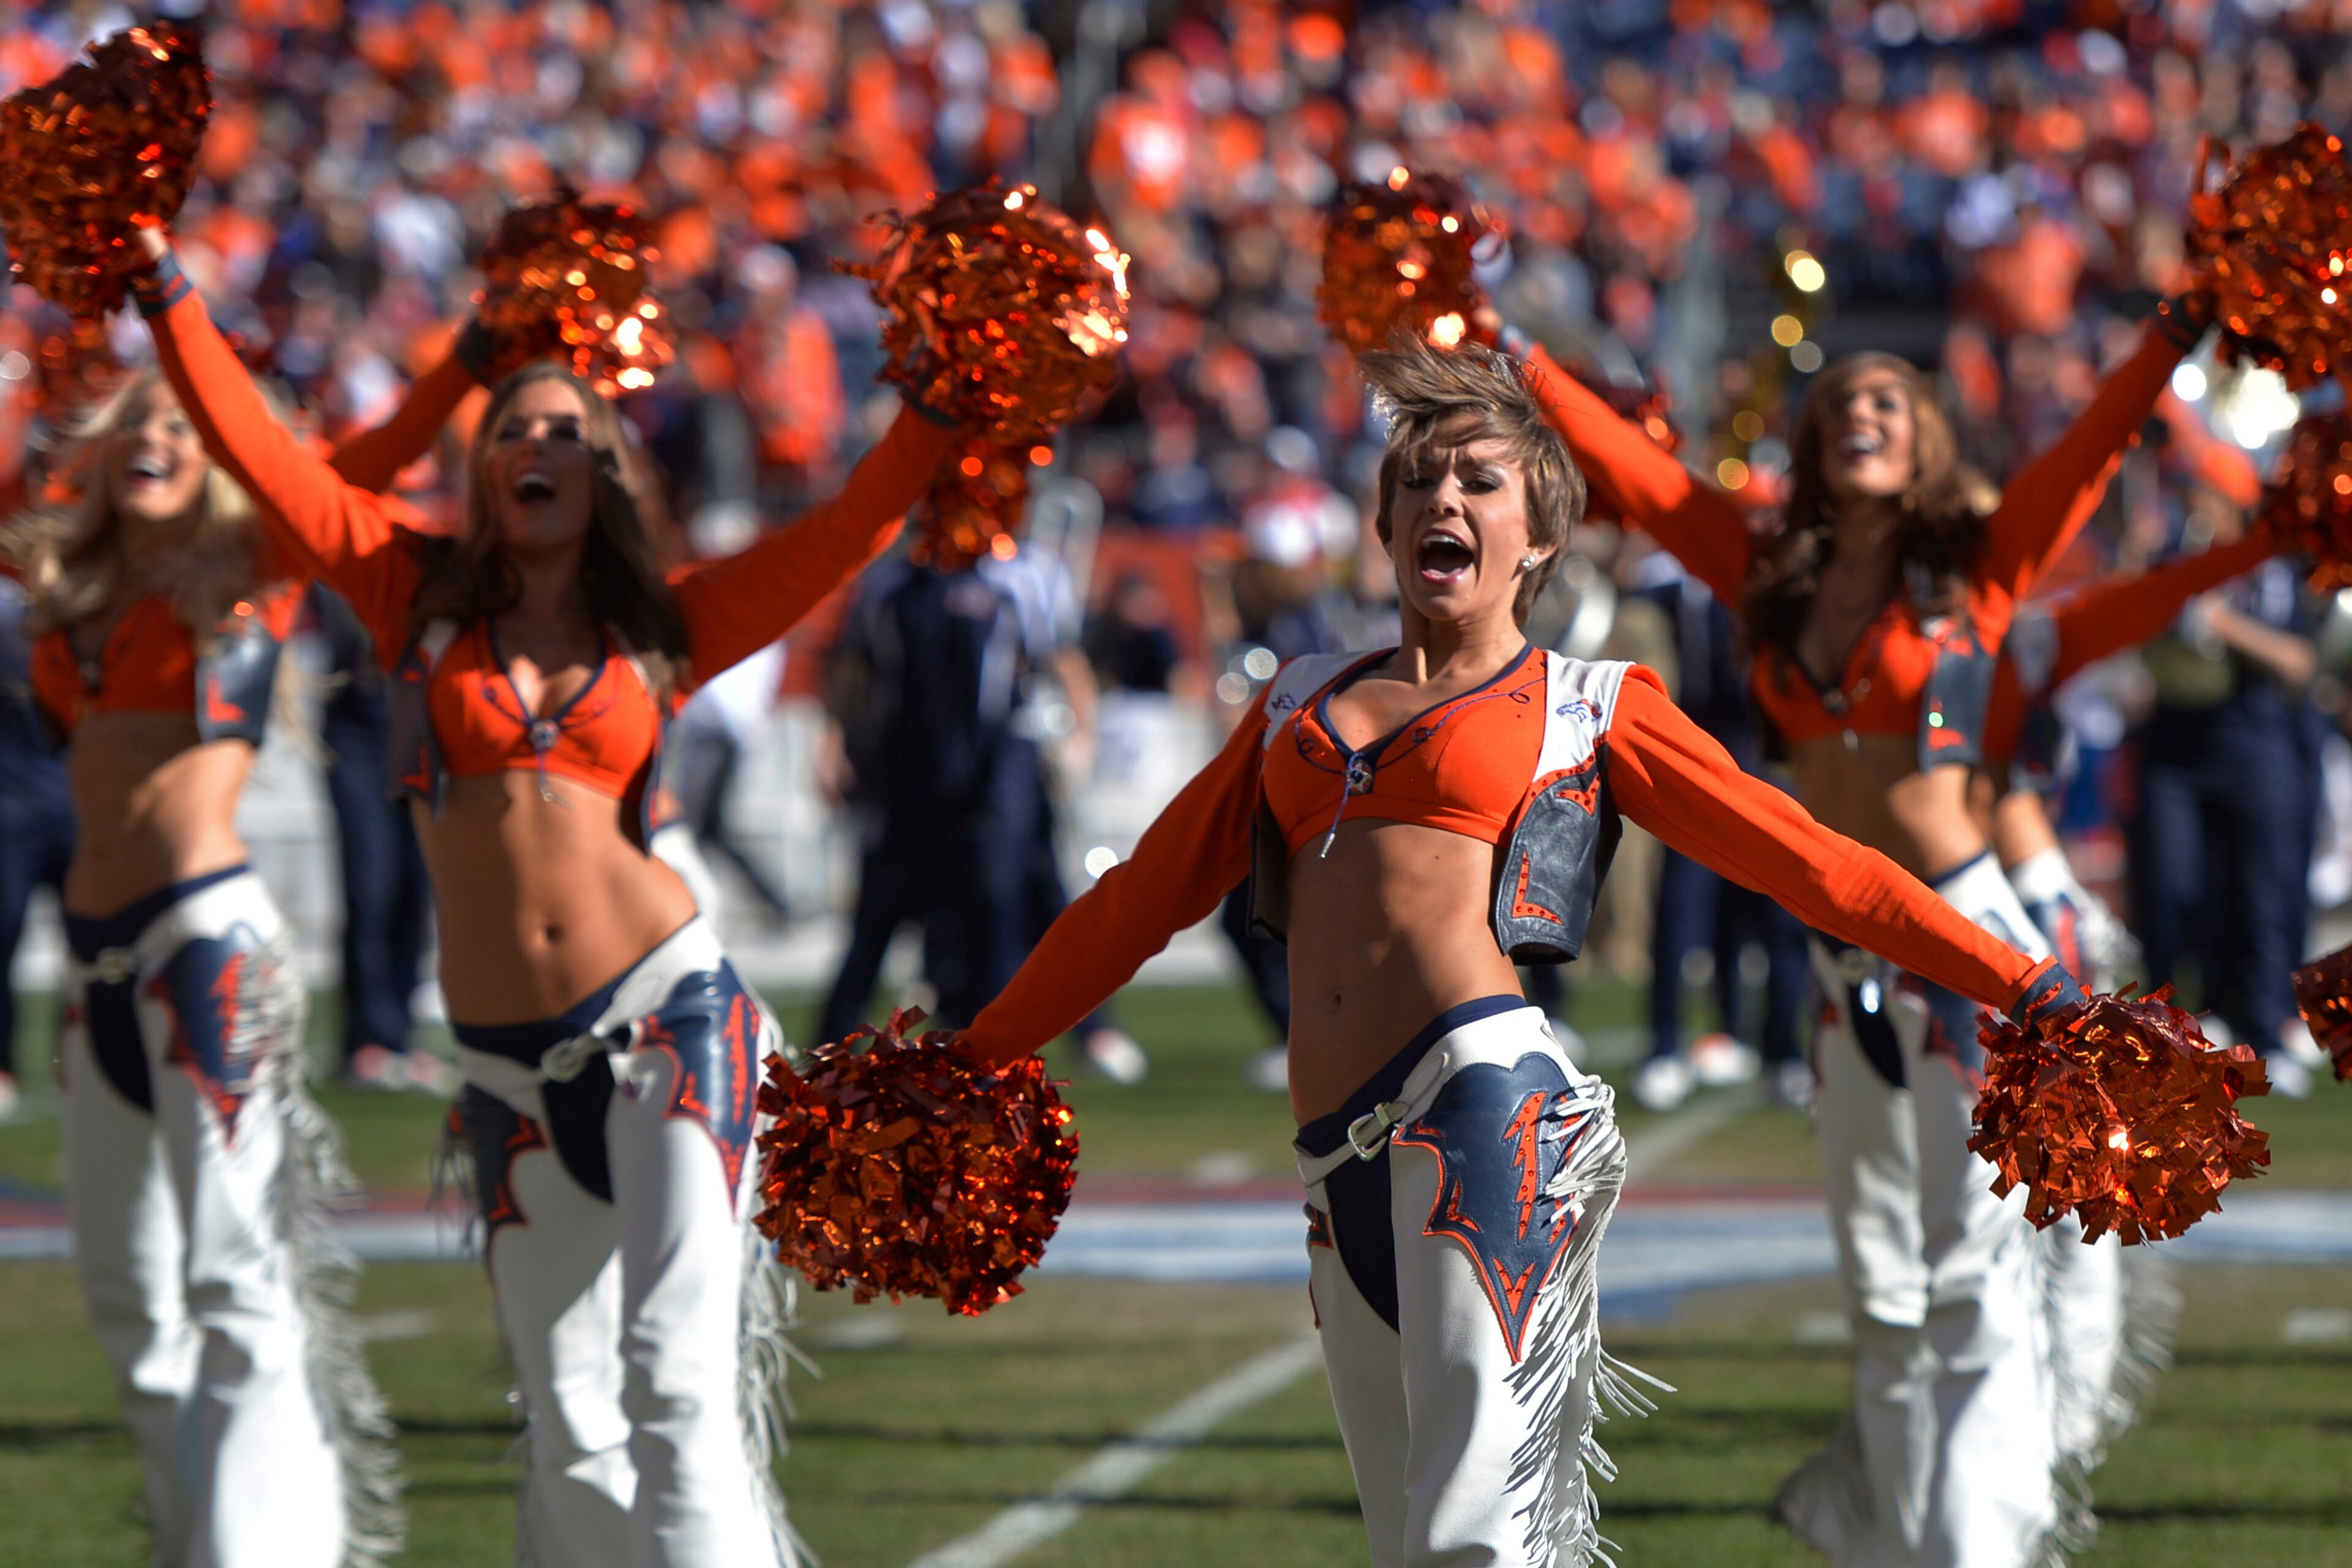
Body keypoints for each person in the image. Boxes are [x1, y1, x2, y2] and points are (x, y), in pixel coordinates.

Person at [954, 338, 2085, 1567]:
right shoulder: (1296, 700)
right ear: (1382, 520)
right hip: (1333, 1145)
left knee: (1472, 1537)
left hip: (1481, 1106)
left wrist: (2023, 980)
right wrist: (970, 1059)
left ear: (1542, 537)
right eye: (1420, 479)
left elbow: (1812, 861)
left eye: (1481, 483)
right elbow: (1135, 902)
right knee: (1408, 1536)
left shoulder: (1589, 701)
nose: (1445, 498)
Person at [132, 224, 959, 1567]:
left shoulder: (669, 623)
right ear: (482, 465)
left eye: (571, 430)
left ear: (607, 470)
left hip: (667, 1031)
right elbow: (264, 460)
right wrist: (163, 283)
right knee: (567, 1422)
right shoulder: (411, 591)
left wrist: (935, 402)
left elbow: (847, 528)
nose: (540, 444)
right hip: (506, 1074)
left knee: (678, 1389)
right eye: (517, 426)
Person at [1516, 287, 2206, 1566]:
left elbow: (2082, 459)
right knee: (1884, 1291)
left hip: (1965, 947)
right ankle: (1900, 1541)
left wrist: (2174, 331)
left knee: (1974, 1278)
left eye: (1889, 401)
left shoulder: (1978, 569)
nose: (1862, 417)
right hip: (1840, 963)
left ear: (1928, 433)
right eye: (1840, 406)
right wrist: (1512, 353)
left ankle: (1980, 1545)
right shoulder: (1769, 572)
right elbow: (1651, 483)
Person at [2, 369, 399, 1565]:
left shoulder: (250, 563)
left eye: (179, 425)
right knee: (130, 1305)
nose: (154, 439)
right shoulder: (67, 590)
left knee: (234, 1283)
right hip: (92, 969)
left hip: (205, 948)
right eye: (135, 425)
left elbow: (361, 473)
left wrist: (473, 352)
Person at [309, 581, 443, 1092]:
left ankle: (400, 1036)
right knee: (370, 884)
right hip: (358, 721)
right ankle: (366, 1038)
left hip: (418, 719)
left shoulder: (438, 526)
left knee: (416, 885)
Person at [0, 569, 75, 1119]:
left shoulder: (90, 606)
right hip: (13, 810)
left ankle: (82, 1066)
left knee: (98, 951)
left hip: (78, 805)